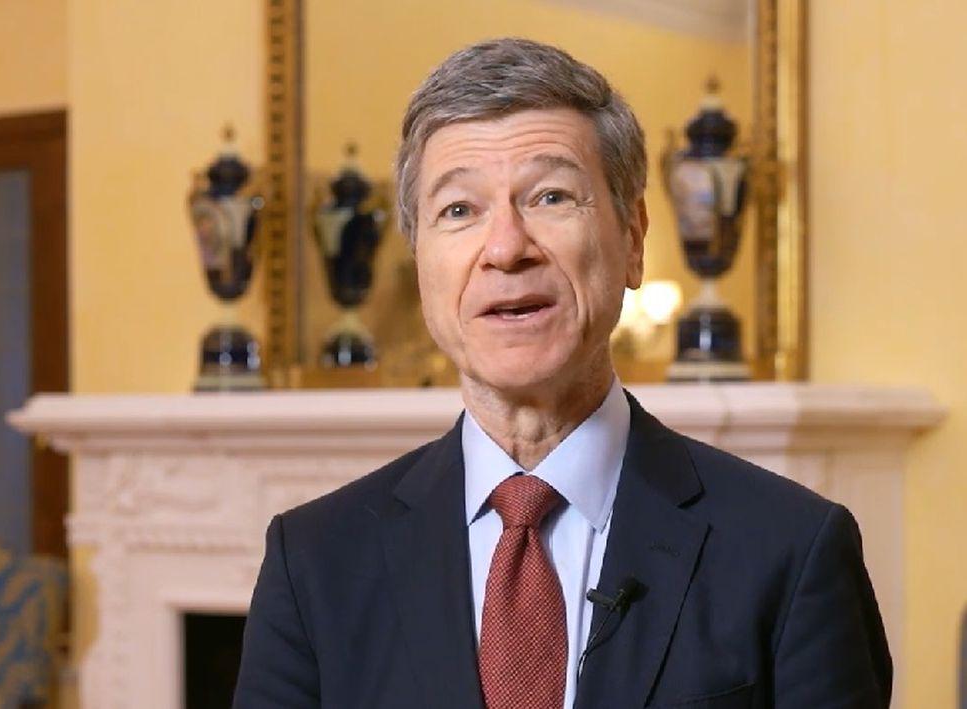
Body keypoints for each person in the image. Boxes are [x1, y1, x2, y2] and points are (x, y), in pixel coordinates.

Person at [232, 38, 890, 709]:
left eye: (551, 196)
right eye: (459, 210)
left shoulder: (791, 549)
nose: (505, 248)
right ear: (420, 260)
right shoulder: (313, 562)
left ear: (633, 239)